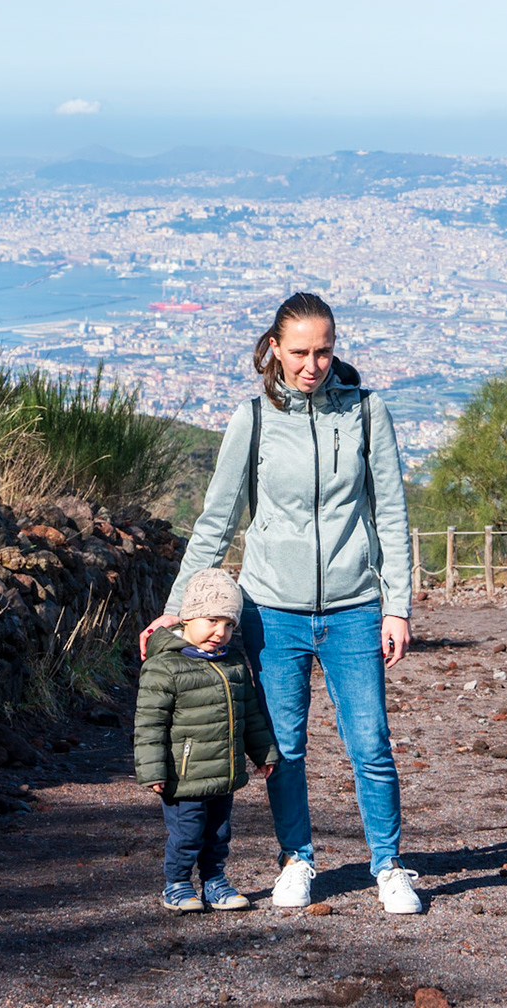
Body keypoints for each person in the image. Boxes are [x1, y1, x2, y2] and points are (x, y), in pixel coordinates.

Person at [140, 291, 420, 915]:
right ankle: (297, 859)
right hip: (272, 611)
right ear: (274, 347)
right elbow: (217, 520)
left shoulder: (367, 412)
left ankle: (389, 866)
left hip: (355, 606)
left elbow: (393, 515)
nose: (312, 365)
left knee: (371, 744)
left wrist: (396, 606)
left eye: (324, 351)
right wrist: (178, 607)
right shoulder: (254, 419)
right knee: (284, 750)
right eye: (299, 352)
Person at [135, 568, 280, 912]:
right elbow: (149, 722)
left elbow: (250, 715)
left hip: (223, 773)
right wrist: (153, 770)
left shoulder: (233, 664)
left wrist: (264, 753)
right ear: (187, 617)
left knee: (218, 834)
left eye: (229, 624)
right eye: (212, 620)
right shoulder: (164, 666)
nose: (220, 632)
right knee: (187, 834)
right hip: (183, 776)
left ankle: (215, 882)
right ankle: (177, 884)